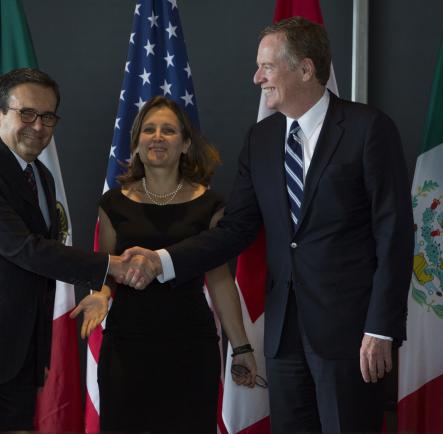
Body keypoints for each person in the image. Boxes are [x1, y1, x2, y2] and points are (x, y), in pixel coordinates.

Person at [122, 18, 414, 434]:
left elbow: (395, 233)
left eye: (267, 67)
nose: (257, 77)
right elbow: (236, 230)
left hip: (352, 335)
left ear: (306, 69)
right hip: (283, 335)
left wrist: (381, 327)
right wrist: (162, 260)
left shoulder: (368, 129)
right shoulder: (260, 139)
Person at [0, 68, 154, 434]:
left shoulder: (41, 176)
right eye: (26, 114)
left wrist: (39, 351)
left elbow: (37, 274)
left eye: (48, 117)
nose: (38, 126)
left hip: (19, 357)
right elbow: (24, 249)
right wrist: (112, 267)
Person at [70, 95, 258, 433]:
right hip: (127, 348)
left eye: (168, 130)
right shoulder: (112, 204)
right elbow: (109, 271)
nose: (157, 137)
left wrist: (241, 347)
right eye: (149, 129)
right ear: (137, 144)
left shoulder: (211, 205)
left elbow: (219, 280)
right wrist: (100, 294)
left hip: (190, 347)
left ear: (185, 144)